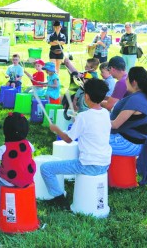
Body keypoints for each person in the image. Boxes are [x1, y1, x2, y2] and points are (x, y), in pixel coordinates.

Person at [40, 78, 112, 207]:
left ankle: (59, 198)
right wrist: (76, 121)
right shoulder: (105, 113)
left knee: (46, 168)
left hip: (88, 165)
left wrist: (56, 130)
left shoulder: (83, 117)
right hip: (105, 163)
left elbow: (68, 139)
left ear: (87, 96)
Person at [0, 113, 36, 218]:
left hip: (8, 180)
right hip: (27, 179)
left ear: (6, 131)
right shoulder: (29, 144)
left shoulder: (4, 148)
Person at [109, 66, 147, 185]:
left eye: (127, 79)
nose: (125, 81)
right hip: (133, 142)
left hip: (127, 144)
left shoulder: (136, 100)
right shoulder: (144, 96)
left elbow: (115, 125)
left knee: (87, 140)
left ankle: (92, 174)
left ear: (134, 82)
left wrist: (96, 121)